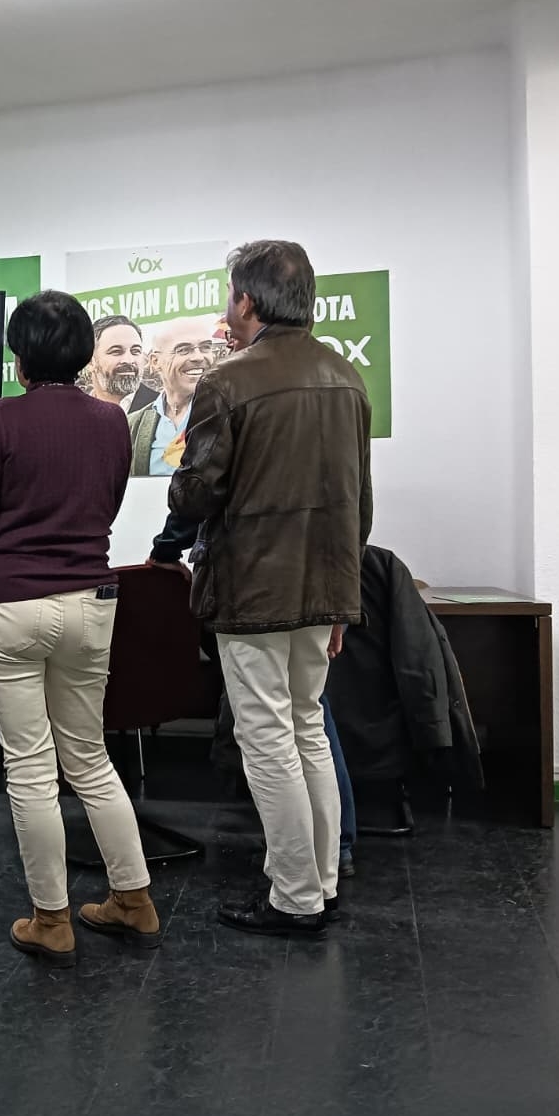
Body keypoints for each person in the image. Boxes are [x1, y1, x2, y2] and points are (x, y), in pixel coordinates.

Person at [168, 240, 372, 938]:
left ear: (247, 301)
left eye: (231, 295)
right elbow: (360, 502)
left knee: (267, 739)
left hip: (252, 588)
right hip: (326, 584)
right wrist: (344, 598)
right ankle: (322, 882)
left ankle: (293, 896)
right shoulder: (346, 376)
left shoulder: (227, 383)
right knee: (307, 726)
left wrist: (180, 477)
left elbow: (196, 494)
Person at [0, 290, 159, 967]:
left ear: (19, 360)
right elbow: (107, 504)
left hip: (11, 604)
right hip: (91, 600)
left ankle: (51, 919)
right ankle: (133, 900)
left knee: (30, 768)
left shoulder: (1, 417)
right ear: (82, 357)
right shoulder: (111, 420)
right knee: (90, 757)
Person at [126, 315, 223, 477]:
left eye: (205, 347)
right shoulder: (133, 424)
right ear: (155, 361)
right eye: (183, 349)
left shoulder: (229, 413)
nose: (198, 357)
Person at [85, 315, 145, 410]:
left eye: (135, 351)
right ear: (90, 362)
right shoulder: (72, 410)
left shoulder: (162, 408)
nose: (128, 360)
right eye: (116, 351)